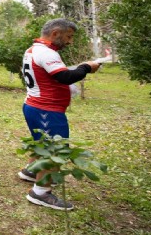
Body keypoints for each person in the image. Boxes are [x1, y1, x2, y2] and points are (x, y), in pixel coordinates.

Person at [18, 19, 100, 210]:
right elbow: (65, 77)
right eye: (69, 37)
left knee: (42, 143)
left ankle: (31, 172)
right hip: (46, 110)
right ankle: (40, 193)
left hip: (35, 106)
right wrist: (86, 67)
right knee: (55, 150)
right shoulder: (46, 53)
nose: (70, 42)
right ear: (55, 33)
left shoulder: (34, 50)